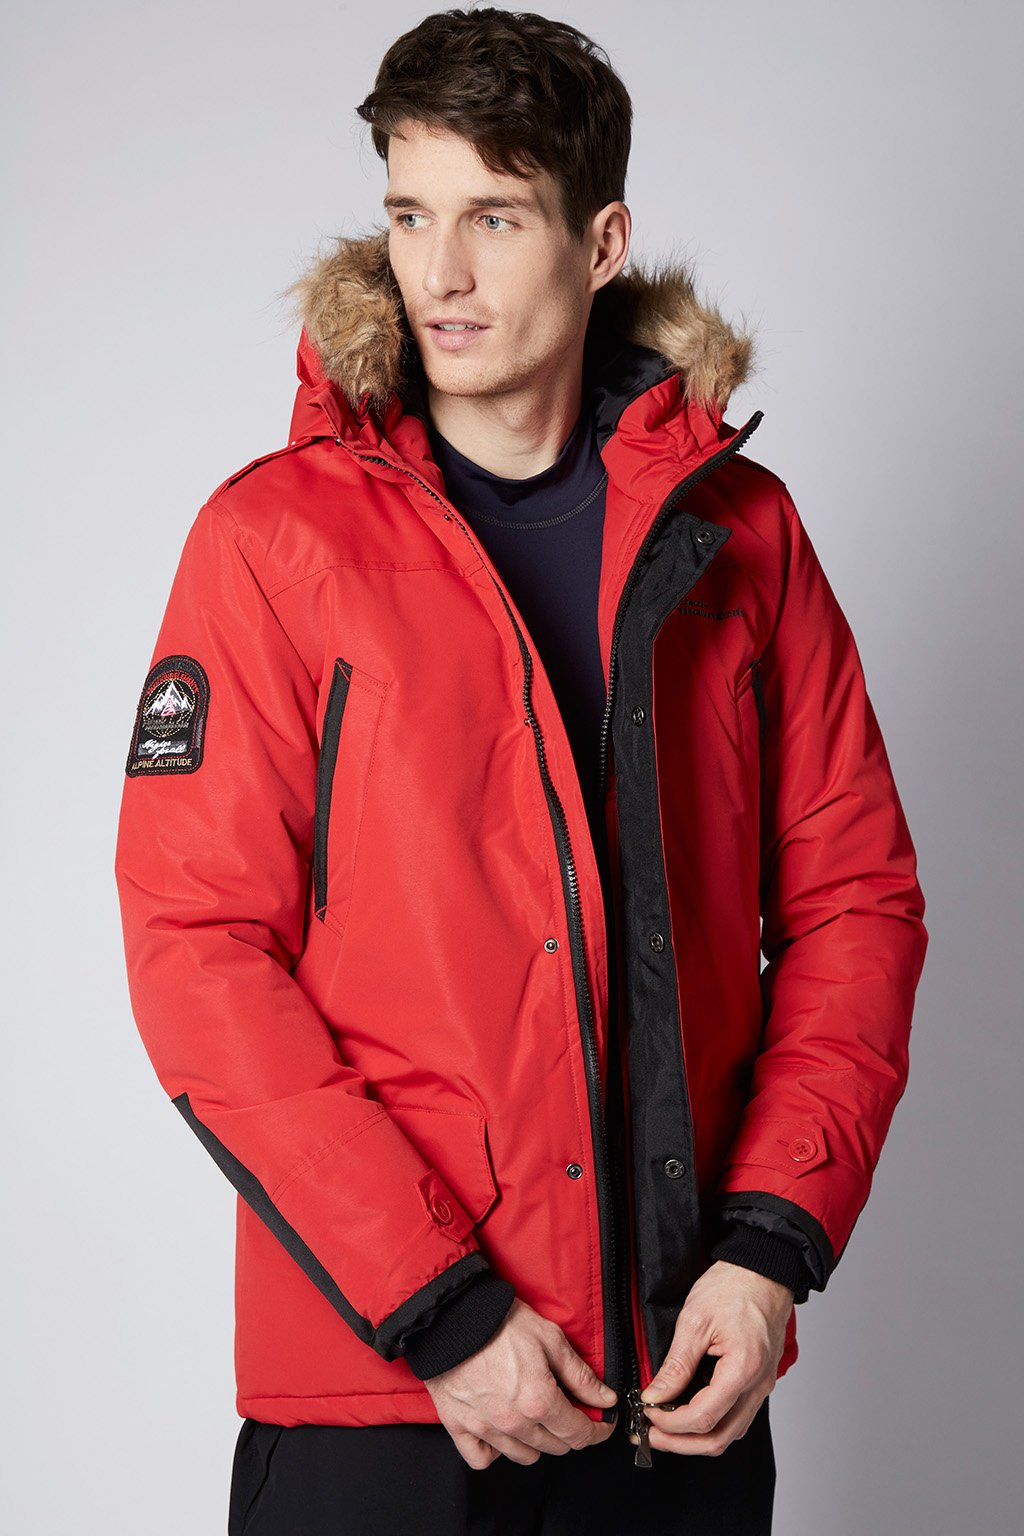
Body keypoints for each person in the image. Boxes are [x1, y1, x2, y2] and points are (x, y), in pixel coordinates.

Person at [113, 8, 928, 1533]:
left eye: (493, 217)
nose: (441, 272)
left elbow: (856, 904)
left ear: (601, 240)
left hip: (672, 1390)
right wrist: (437, 1306)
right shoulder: (274, 544)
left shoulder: (742, 538)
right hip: (385, 1400)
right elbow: (198, 943)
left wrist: (769, 1246)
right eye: (411, 214)